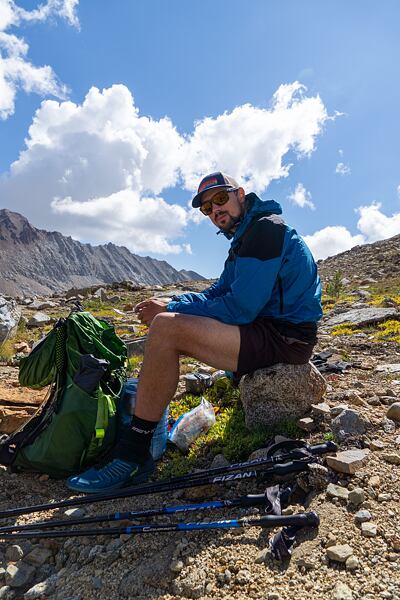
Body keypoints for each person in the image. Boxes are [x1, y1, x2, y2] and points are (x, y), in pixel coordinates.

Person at [67, 172, 322, 493]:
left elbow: (240, 308)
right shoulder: (245, 238)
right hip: (265, 330)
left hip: (285, 338)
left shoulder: (266, 230)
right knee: (169, 323)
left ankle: (134, 455)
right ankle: (148, 434)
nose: (215, 210)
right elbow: (217, 293)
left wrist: (169, 313)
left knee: (167, 329)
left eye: (220, 199)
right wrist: (173, 303)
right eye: (206, 208)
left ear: (240, 194)